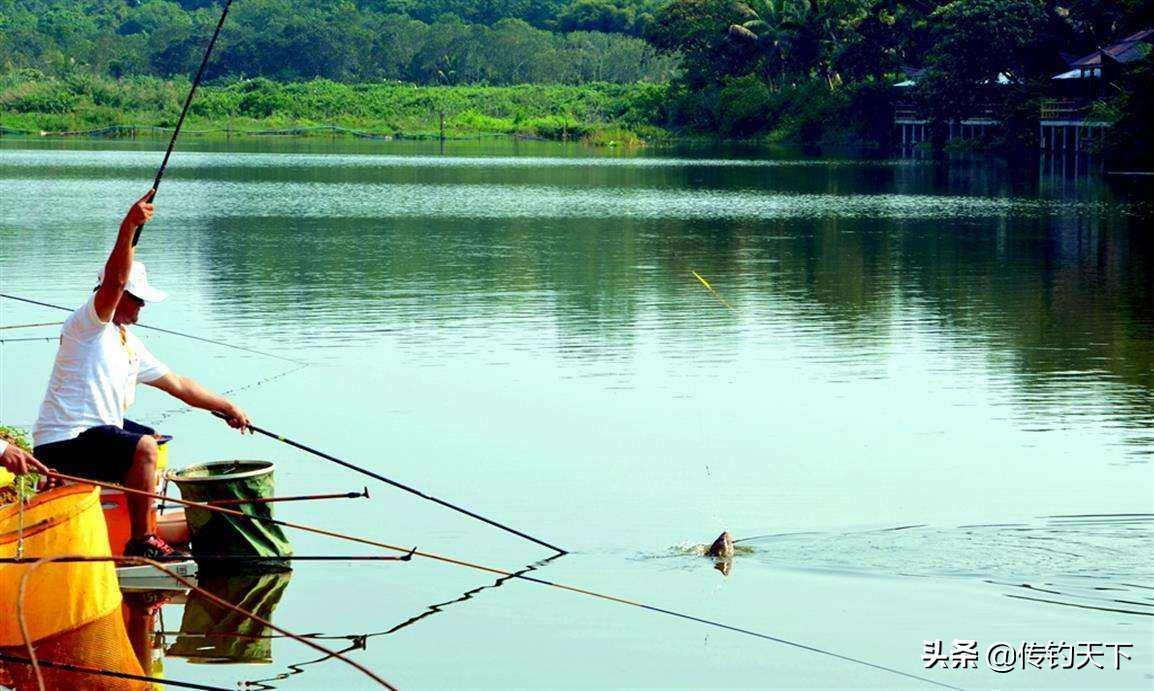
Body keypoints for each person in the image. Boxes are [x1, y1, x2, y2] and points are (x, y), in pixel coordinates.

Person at [32, 190, 251, 559]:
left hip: (94, 435)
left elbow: (179, 384)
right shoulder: (88, 325)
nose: (143, 306)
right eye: (139, 299)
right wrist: (129, 225)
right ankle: (143, 541)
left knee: (151, 438)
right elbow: (114, 283)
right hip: (63, 441)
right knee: (143, 449)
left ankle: (130, 516)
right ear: (118, 296)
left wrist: (226, 406)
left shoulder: (127, 342)